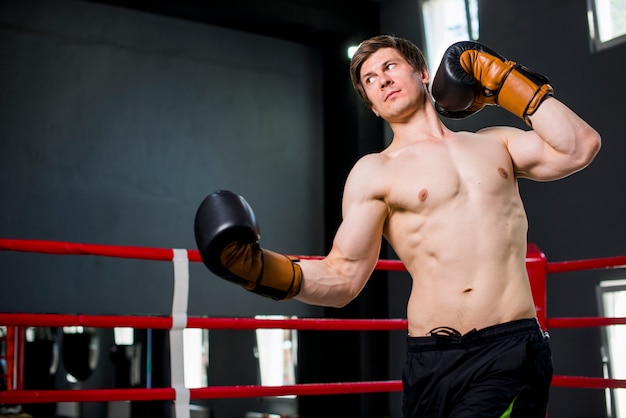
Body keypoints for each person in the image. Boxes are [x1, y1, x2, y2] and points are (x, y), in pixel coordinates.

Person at [194, 35, 601, 417]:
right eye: (370, 79)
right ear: (371, 104)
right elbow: (343, 277)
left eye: (390, 66)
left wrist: (505, 79)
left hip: (508, 351)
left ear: (423, 74)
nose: (382, 80)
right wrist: (260, 271)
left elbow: (580, 145)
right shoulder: (373, 173)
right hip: (429, 359)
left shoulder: (496, 144)